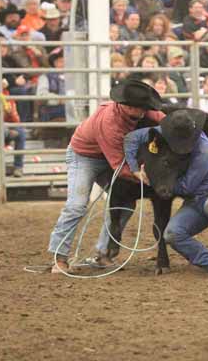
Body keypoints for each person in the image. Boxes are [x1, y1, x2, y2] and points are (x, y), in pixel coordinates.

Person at [47, 80, 165, 274]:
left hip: (109, 156)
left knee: (125, 203)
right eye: (141, 108)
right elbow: (119, 166)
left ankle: (103, 252)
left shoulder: (142, 110)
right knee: (77, 205)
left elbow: (163, 119)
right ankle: (59, 258)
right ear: (127, 106)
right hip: (84, 156)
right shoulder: (110, 123)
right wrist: (146, 177)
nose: (146, 112)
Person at [124, 109, 208, 276]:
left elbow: (187, 187)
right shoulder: (164, 133)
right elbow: (131, 138)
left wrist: (154, 180)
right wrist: (134, 170)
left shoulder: (206, 151)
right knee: (171, 234)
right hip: (195, 201)